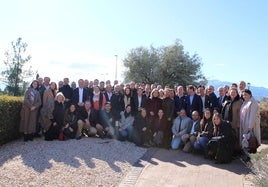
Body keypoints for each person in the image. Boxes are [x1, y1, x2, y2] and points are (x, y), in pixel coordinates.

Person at [221, 88, 242, 155]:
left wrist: (238, 123)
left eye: (234, 92)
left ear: (237, 93)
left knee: (234, 137)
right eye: (231, 92)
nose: (233, 93)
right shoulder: (227, 101)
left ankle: (235, 152)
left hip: (234, 123)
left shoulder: (239, 102)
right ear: (229, 93)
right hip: (226, 122)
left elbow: (240, 114)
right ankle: (227, 151)